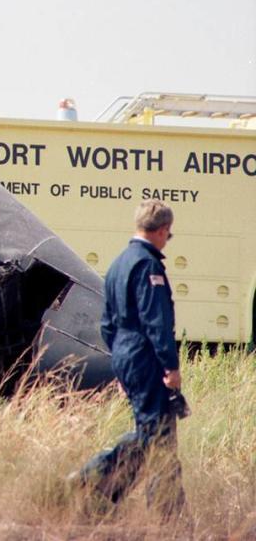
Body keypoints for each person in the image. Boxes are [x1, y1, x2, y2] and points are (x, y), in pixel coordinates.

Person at [74, 199, 186, 518]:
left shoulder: (119, 263)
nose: (167, 240)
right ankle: (96, 477)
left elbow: (107, 324)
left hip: (125, 354)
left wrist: (123, 366)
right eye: (169, 234)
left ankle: (106, 491)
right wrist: (170, 367)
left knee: (151, 432)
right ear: (162, 230)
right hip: (145, 356)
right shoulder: (149, 266)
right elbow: (157, 322)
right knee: (160, 438)